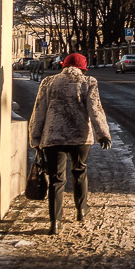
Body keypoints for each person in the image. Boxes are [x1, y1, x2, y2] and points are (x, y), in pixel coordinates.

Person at [29, 52, 112, 233]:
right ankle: (81, 210)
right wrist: (103, 134)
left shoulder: (48, 82)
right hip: (80, 137)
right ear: (82, 68)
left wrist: (35, 138)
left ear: (63, 66)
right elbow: (95, 109)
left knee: (56, 179)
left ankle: (55, 222)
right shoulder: (88, 82)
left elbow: (39, 111)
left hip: (53, 136)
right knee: (79, 171)